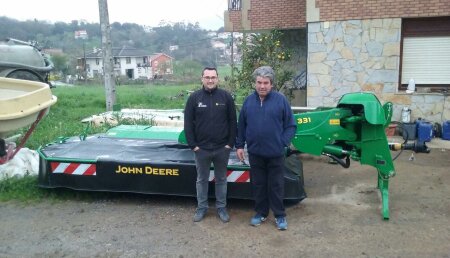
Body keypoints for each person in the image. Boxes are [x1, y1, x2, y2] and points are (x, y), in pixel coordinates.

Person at [235, 66, 297, 230]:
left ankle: (280, 215)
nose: (262, 86)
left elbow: (291, 126)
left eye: (266, 83)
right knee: (258, 185)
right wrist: (240, 145)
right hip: (255, 153)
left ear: (271, 84)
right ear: (255, 83)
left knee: (276, 185)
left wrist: (282, 142)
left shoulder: (280, 100)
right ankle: (261, 212)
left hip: (275, 153)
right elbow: (241, 126)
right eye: (259, 82)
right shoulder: (249, 101)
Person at [184, 67, 237, 223]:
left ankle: (221, 208)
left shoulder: (226, 97)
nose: (210, 80)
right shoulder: (194, 98)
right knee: (201, 180)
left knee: (221, 179)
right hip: (201, 149)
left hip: (222, 148)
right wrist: (193, 146)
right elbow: (188, 124)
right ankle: (202, 208)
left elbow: (233, 122)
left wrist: (229, 144)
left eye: (213, 77)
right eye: (207, 77)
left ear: (218, 79)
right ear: (202, 79)